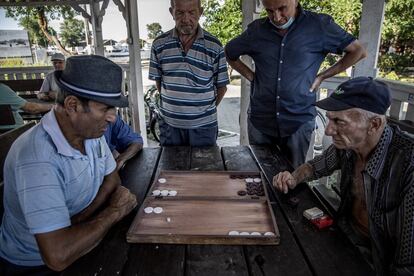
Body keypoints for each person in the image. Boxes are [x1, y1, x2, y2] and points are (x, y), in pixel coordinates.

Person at [0, 55, 137, 274]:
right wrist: (113, 212)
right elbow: (57, 256)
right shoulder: (37, 158)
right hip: (35, 264)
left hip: (79, 239)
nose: (112, 118)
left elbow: (112, 178)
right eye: (105, 109)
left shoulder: (89, 132)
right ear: (72, 105)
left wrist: (83, 218)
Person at [273, 77, 414, 275]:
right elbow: (315, 167)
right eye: (330, 119)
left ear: (374, 124)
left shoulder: (408, 165)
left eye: (339, 121)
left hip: (380, 261)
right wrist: (293, 177)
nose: (329, 130)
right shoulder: (349, 146)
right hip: (343, 236)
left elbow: (408, 262)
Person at [225, 0, 367, 168]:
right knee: (260, 174)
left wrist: (322, 76)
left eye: (282, 8)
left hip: (298, 121)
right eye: (269, 11)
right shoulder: (257, 30)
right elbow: (230, 52)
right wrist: (251, 76)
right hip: (261, 120)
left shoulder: (319, 25)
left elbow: (358, 51)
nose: (276, 17)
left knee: (293, 178)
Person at [149, 0, 230, 146]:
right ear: (171, 12)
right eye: (180, 13)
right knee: (170, 167)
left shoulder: (214, 46)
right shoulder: (159, 44)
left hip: (204, 128)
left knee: (205, 167)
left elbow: (222, 87)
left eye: (192, 12)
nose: (186, 19)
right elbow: (159, 82)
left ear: (200, 12)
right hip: (170, 126)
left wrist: (202, 113)